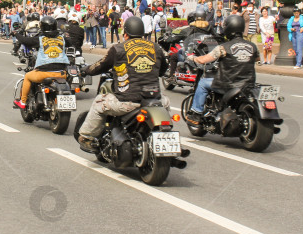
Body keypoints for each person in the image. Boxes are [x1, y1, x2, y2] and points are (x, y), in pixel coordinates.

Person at [77, 17, 169, 152]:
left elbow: (100, 66)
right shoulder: (156, 47)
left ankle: (86, 137)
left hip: (128, 102)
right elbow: (163, 70)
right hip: (156, 100)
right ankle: (165, 137)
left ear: (125, 34)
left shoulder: (118, 49)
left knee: (99, 102)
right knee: (166, 102)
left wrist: (86, 70)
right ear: (142, 33)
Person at [184, 14, 258, 126]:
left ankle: (196, 113)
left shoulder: (223, 47)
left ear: (228, 28)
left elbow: (204, 60)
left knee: (203, 83)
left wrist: (192, 58)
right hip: (247, 84)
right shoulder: (252, 46)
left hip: (227, 84)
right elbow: (257, 59)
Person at [13, 16, 70, 109]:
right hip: (62, 73)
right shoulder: (62, 39)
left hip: (44, 73)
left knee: (27, 76)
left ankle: (23, 102)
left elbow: (25, 41)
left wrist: (16, 34)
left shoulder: (40, 39)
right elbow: (72, 42)